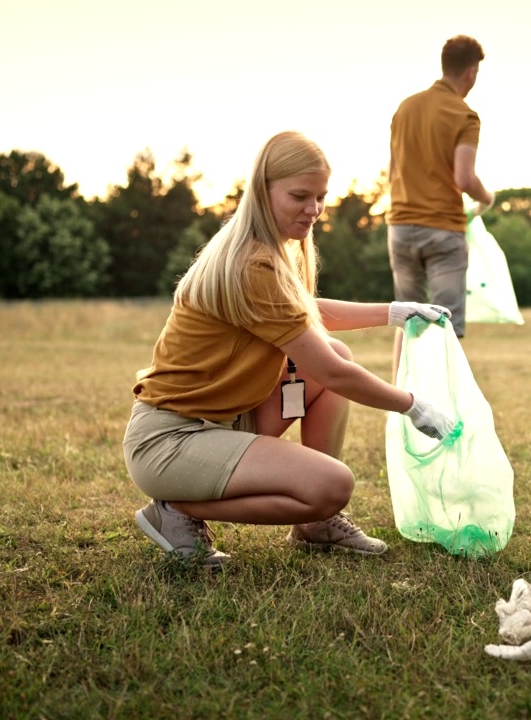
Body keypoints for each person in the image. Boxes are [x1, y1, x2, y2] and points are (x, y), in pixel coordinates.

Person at [124, 131, 456, 566]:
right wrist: (412, 405)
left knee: (336, 353)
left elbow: (302, 312)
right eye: (300, 196)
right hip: (172, 440)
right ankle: (176, 509)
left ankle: (315, 525)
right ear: (263, 191)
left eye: (320, 197)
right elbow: (333, 375)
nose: (313, 210)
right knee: (332, 484)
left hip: (224, 421)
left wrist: (394, 311)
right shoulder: (250, 261)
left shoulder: (276, 249)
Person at [386, 35, 494, 372]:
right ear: (471, 72)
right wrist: (486, 198)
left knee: (407, 317)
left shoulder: (406, 107)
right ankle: (442, 406)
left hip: (400, 227)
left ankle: (399, 403)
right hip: (442, 230)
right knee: (444, 323)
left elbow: (392, 173)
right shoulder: (465, 115)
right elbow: (464, 178)